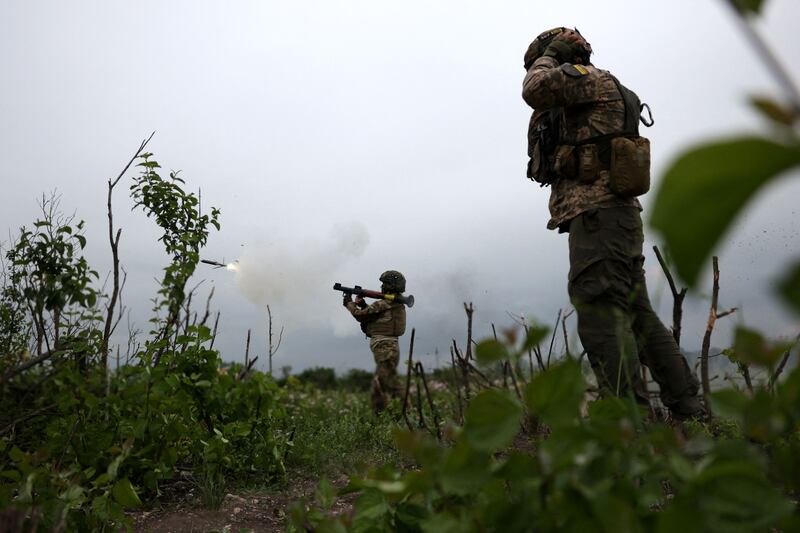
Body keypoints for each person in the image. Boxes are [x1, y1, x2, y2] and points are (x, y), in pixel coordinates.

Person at [521, 27, 705, 420]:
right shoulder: (600, 87)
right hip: (613, 219)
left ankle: (627, 423)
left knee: (599, 312)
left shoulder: (587, 81)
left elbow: (534, 89)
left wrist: (548, 56)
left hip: (599, 217)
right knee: (637, 315)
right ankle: (687, 406)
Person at [343, 270, 407, 414]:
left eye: (384, 284)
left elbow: (360, 316)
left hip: (385, 346)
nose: (382, 287)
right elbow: (374, 316)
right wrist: (364, 304)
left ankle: (408, 412)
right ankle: (380, 416)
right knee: (378, 385)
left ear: (389, 286)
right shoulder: (396, 303)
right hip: (389, 346)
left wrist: (349, 304)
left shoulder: (385, 303)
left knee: (391, 381)